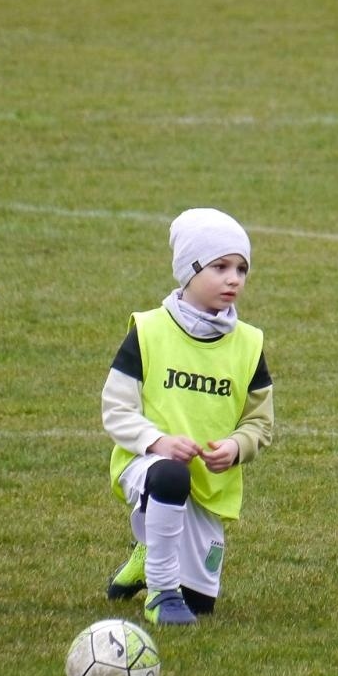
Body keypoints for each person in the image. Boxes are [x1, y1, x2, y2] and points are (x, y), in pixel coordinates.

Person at [101, 208, 274, 627]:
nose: (234, 278)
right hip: (147, 466)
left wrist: (235, 448)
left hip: (208, 485)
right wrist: (157, 443)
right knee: (170, 475)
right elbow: (116, 408)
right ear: (188, 271)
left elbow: (260, 423)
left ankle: (148, 551)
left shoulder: (249, 344)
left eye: (241, 269)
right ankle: (160, 593)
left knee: (200, 606)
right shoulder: (148, 330)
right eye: (220, 267)